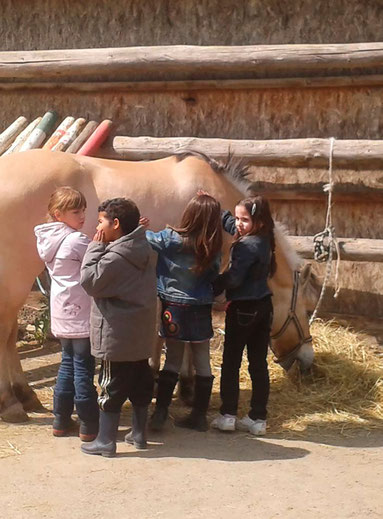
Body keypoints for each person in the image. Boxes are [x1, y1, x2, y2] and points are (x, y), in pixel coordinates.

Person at [79, 198, 157, 457]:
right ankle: (139, 433)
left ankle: (105, 441)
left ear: (116, 224)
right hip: (140, 334)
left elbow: (90, 282)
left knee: (110, 387)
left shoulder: (115, 257)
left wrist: (94, 246)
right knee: (140, 384)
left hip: (117, 335)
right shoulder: (143, 248)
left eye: (101, 221)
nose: (97, 226)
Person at [144, 192, 223, 432]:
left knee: (173, 360)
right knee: (202, 362)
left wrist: (140, 228)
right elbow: (214, 275)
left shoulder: (170, 238)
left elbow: (148, 240)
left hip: (173, 308)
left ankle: (160, 413)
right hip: (200, 307)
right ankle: (199, 415)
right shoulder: (213, 245)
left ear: (188, 215)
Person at [34, 187, 99, 442]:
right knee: (83, 366)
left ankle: (60, 419)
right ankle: (89, 423)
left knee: (67, 363)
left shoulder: (49, 239)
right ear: (58, 214)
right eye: (76, 211)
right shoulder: (76, 240)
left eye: (83, 209)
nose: (82, 215)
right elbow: (99, 258)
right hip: (81, 311)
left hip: (61, 311)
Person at [211, 195, 276, 436]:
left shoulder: (245, 246)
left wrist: (212, 286)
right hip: (263, 306)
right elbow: (235, 226)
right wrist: (220, 212)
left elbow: (234, 278)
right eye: (237, 218)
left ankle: (227, 414)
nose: (238, 224)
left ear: (257, 221)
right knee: (258, 364)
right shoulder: (265, 239)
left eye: (244, 219)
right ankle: (258, 418)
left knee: (231, 363)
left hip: (243, 310)